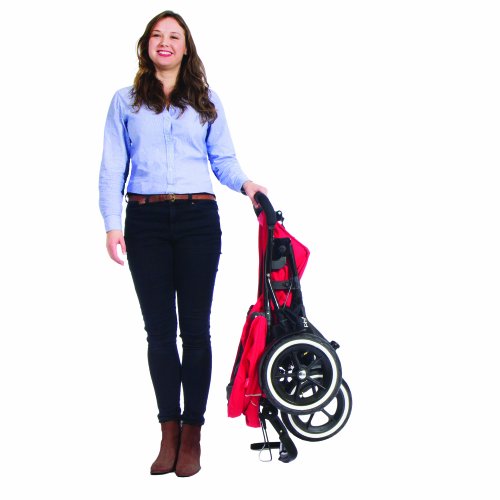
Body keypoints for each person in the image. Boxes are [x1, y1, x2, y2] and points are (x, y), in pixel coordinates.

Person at [98, 10, 267, 477]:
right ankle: (167, 432)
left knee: (194, 332)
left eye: (174, 36)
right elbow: (113, 166)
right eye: (157, 35)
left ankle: (192, 435)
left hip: (197, 220)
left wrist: (247, 185)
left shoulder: (206, 101)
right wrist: (112, 224)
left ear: (186, 46)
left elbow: (222, 159)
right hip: (145, 220)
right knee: (158, 332)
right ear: (146, 45)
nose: (165, 42)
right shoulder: (125, 102)